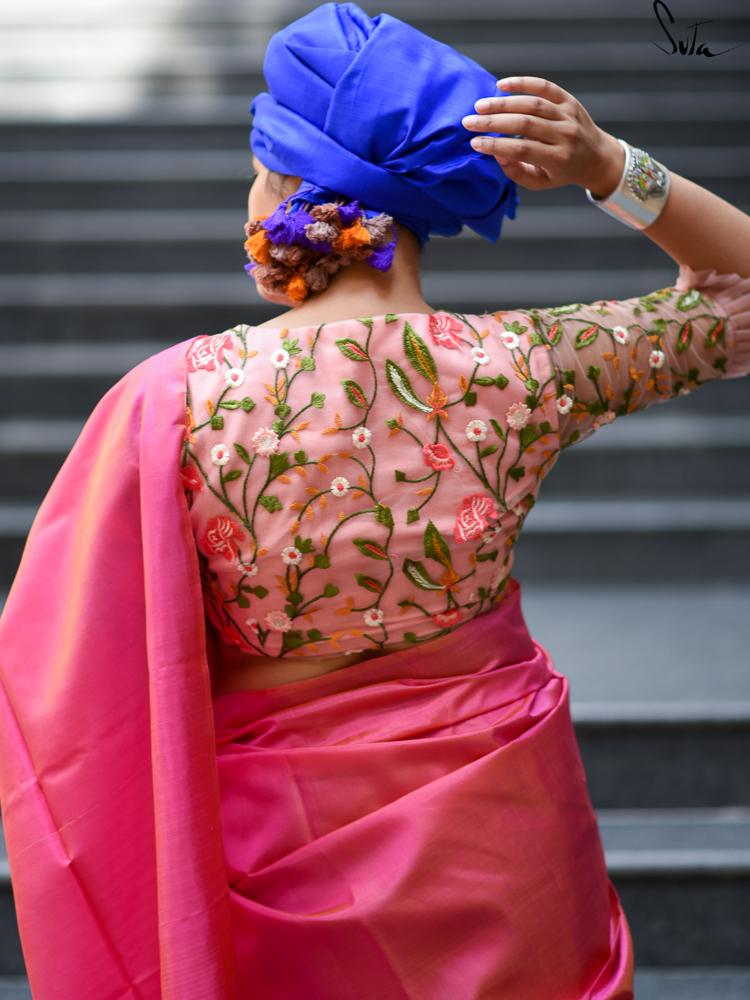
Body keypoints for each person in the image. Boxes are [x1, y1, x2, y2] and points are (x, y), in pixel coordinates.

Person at [0, 3, 748, 998]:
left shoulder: (175, 396)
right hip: (503, 855)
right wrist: (610, 165)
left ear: (281, 184)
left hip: (277, 858)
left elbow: (64, 665)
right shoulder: (530, 366)